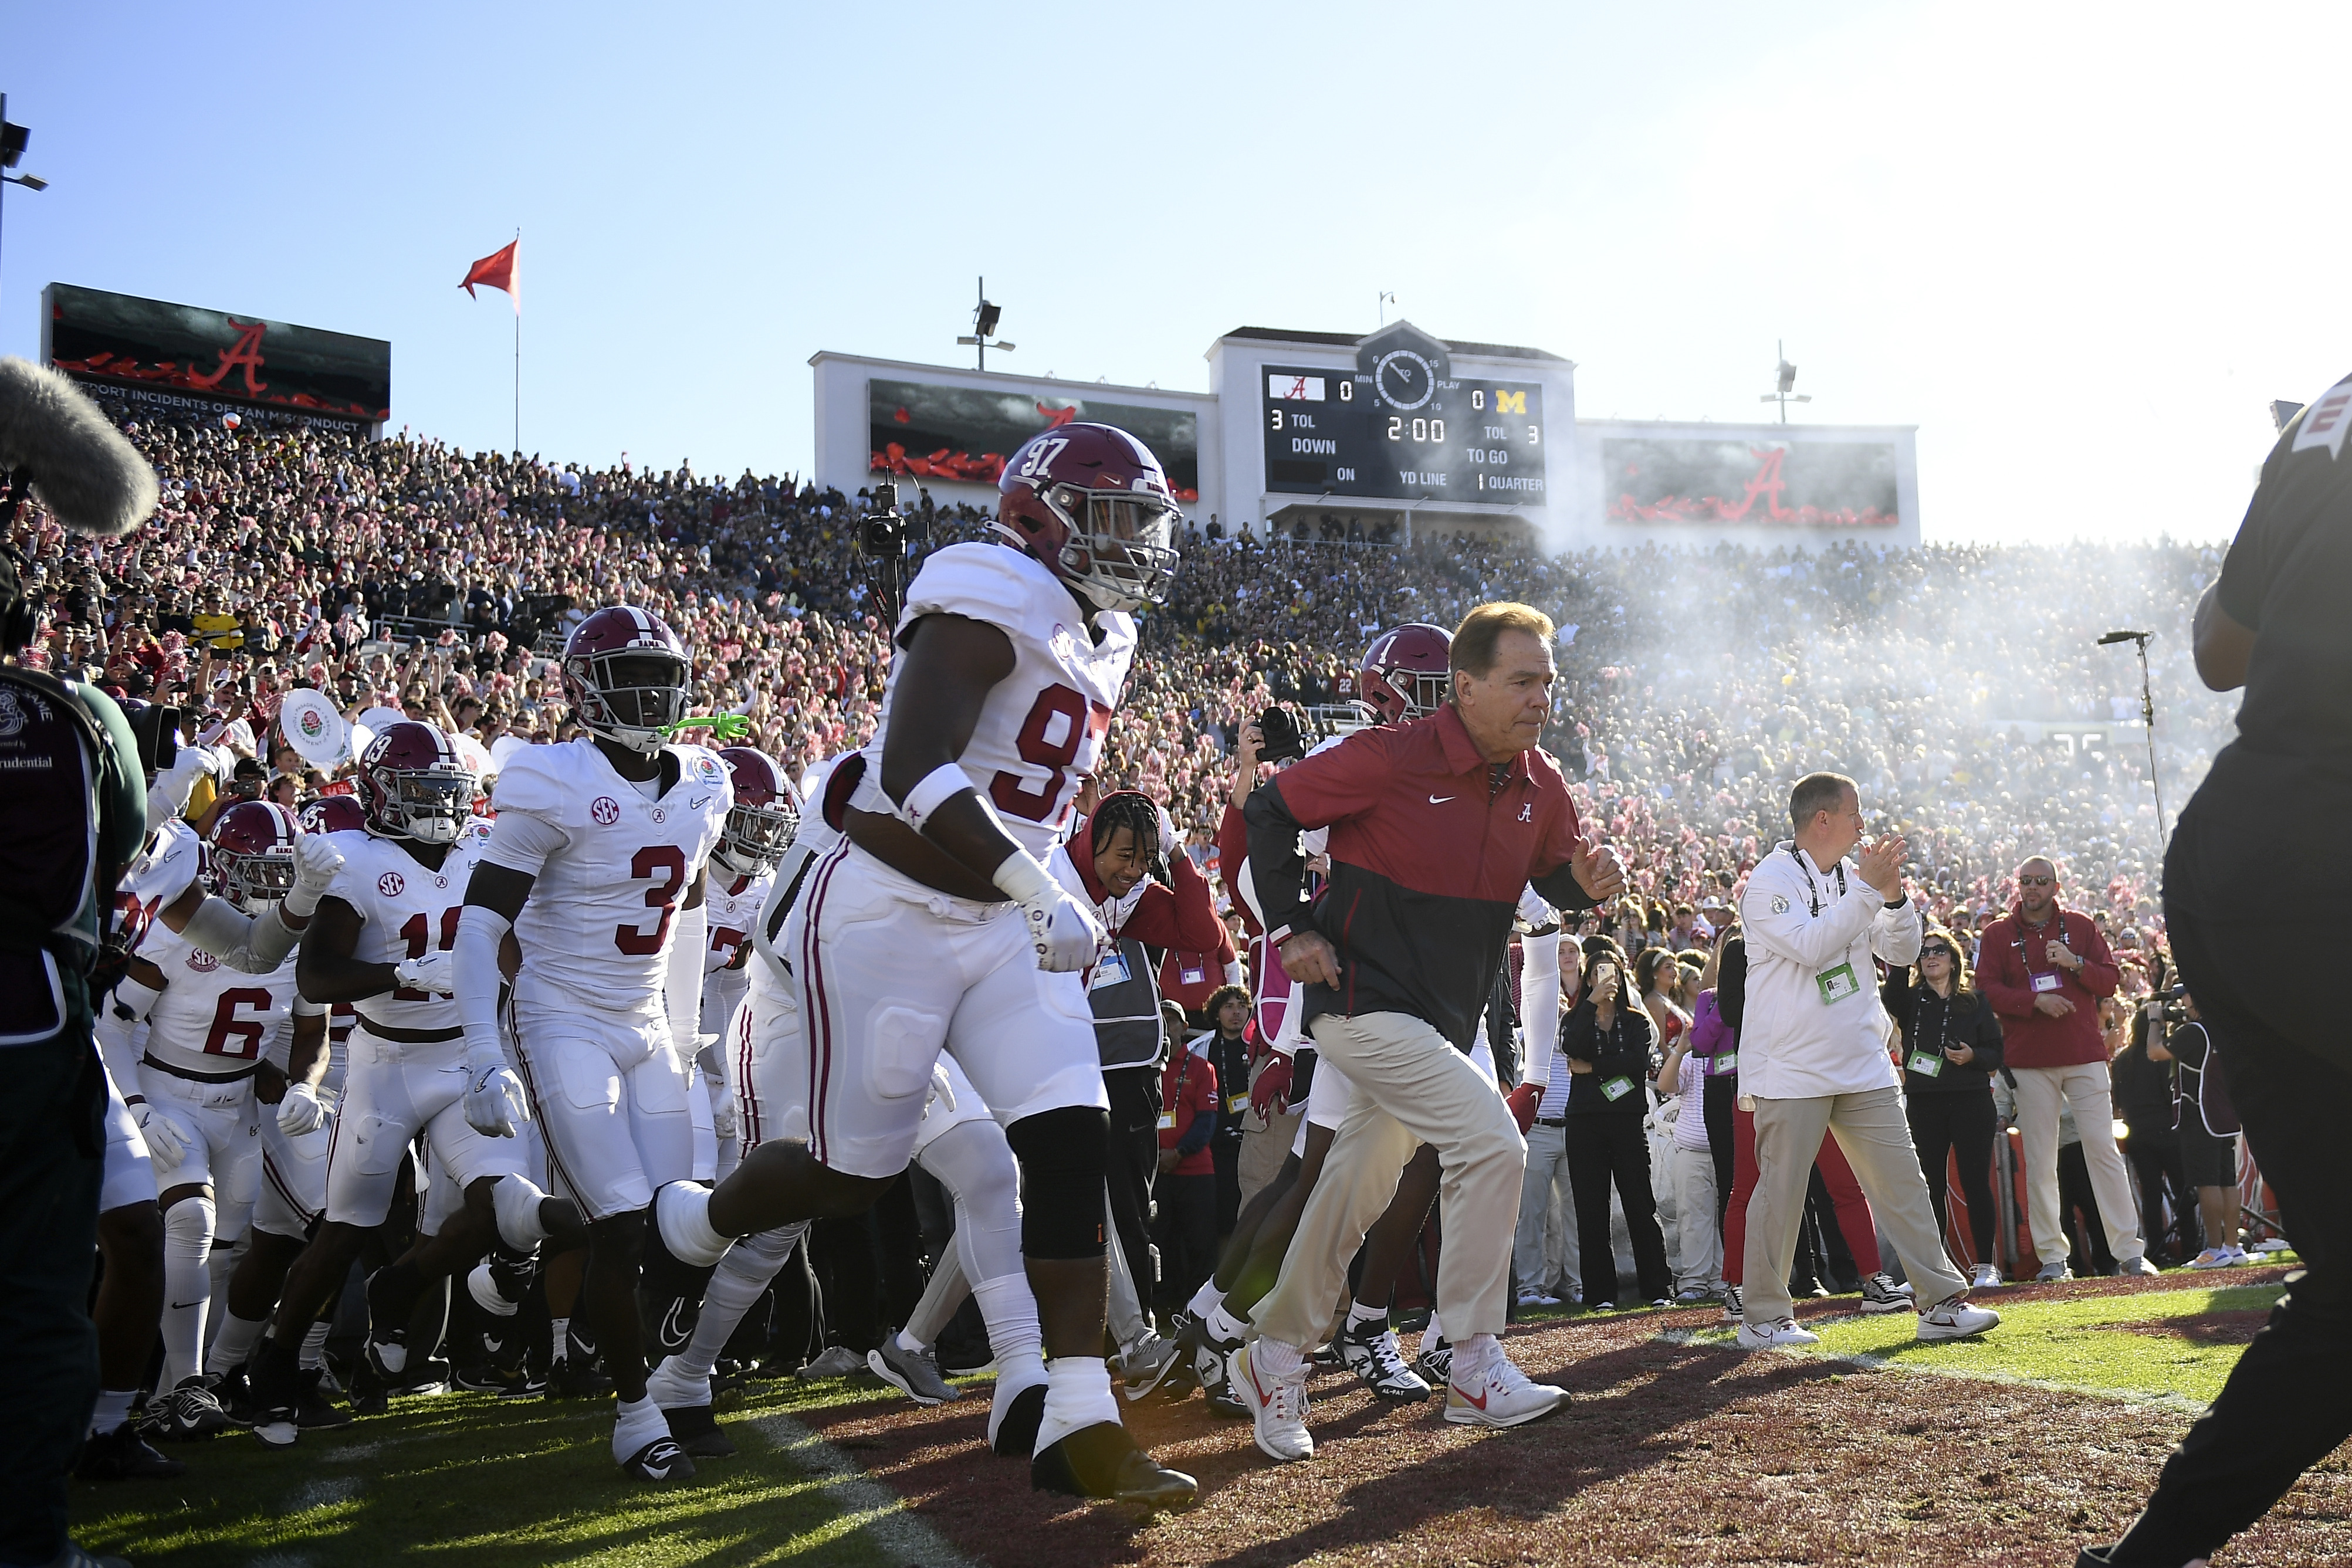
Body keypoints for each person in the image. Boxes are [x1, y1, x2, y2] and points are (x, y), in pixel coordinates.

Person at [649, 425, 1196, 1510]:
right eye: (1116, 515)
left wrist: (1047, 888)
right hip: (887, 920)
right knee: (849, 1176)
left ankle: (1077, 1415)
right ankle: (694, 1222)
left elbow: (1028, 799)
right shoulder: (982, 588)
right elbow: (907, 770)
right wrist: (1042, 889)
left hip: (996, 916)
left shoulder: (1108, 632)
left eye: (1146, 517)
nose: (1137, 540)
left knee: (1065, 1134)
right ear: (1043, 513)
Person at [1230, 600, 1625, 1463]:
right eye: (1522, 682)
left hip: (1434, 1026)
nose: (1539, 700)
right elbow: (1269, 810)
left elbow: (1551, 888)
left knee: (1351, 1192)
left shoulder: (1540, 781)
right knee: (1493, 1141)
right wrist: (1293, 924)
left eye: (1547, 683)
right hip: (1362, 1007)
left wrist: (1587, 885)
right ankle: (1473, 1360)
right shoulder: (1387, 755)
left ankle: (1274, 1352)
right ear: (1468, 684)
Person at [452, 606, 733, 1484]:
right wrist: (480, 1051)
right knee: (617, 1223)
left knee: (685, 1222)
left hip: (646, 1020)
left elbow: (686, 910)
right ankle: (635, 1414)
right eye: (629, 679)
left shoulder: (705, 780)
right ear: (583, 692)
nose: (651, 695)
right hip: (562, 1014)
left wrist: (682, 1032)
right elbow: (480, 922)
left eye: (662, 676)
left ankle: (520, 1255)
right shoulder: (553, 778)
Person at [246, 720, 583, 1445]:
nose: (439, 804)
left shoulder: (480, 851)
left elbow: (515, 949)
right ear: (380, 794)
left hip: (467, 1054)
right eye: (422, 789)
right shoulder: (358, 862)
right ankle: (272, 1370)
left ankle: (397, 1288)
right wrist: (397, 973)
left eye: (448, 790)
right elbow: (316, 976)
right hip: (387, 1061)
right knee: (343, 1229)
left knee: (505, 1210)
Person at [0, 540, 150, 1568]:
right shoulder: (80, 716)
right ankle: (27, 1536)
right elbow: (124, 836)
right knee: (32, 1297)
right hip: (28, 1017)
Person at [1732, 771, 1996, 1349]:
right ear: (1822, 819)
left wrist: (1894, 895)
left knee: (1902, 1181)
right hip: (1791, 1063)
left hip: (1859, 1056)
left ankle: (1940, 1302)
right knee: (1782, 1190)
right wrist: (1866, 892)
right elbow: (1809, 946)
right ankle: (1764, 1317)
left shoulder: (1856, 878)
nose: (1863, 824)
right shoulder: (1768, 881)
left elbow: (1900, 951)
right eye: (1855, 813)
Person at [1977, 857, 2156, 1282]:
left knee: (2102, 1150)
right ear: (2017, 885)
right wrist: (2032, 1000)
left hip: (2083, 1053)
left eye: (2041, 881)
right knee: (2039, 1160)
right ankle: (2053, 1259)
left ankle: (2130, 1253)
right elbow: (1984, 988)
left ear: (2056, 885)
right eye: (2026, 881)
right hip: (2028, 1059)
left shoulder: (2080, 927)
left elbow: (2110, 980)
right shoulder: (1998, 933)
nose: (2033, 887)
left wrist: (2076, 962)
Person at [1882, 924, 2006, 1288]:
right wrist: (1905, 957)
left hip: (1971, 1099)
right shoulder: (1910, 999)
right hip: (1925, 1102)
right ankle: (1929, 1271)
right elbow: (1890, 997)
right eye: (1925, 952)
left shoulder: (1976, 1001)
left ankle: (1986, 1266)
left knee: (1974, 1182)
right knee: (1928, 1186)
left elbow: (1996, 1052)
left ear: (1954, 960)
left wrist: (1973, 1055)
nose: (1931, 956)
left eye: (1939, 951)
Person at [1560, 937, 1672, 1309]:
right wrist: (1589, 1006)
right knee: (1591, 1209)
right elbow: (1571, 1047)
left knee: (1640, 1204)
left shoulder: (1636, 1021)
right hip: (1585, 1123)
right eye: (1596, 973)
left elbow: (1636, 1064)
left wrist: (1592, 1068)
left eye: (1610, 973)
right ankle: (1600, 1294)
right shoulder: (1575, 1017)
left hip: (1626, 1122)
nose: (1604, 979)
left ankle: (1658, 1289)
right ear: (1588, 979)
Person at [2145, 992, 2245, 1270]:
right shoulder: (2226, 1027)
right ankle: (2232, 1247)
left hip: (2199, 1115)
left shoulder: (2194, 1031)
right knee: (2228, 1182)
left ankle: (2214, 1249)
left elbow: (2154, 1052)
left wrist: (2155, 1021)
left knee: (2207, 1183)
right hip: (2225, 1114)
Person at [1153, 1000, 1220, 1310]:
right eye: (1161, 1019)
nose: (1167, 1025)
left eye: (1173, 1021)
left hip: (1194, 1170)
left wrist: (1178, 1153)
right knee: (1159, 1240)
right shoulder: (1144, 1067)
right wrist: (1154, 1158)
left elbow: (1207, 1121)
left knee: (1199, 1242)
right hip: (1153, 1172)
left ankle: (1199, 1306)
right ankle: (1164, 1303)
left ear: (1183, 1027)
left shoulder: (1201, 1068)